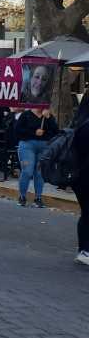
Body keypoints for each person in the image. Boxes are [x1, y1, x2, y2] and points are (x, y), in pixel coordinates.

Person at [14, 107, 59, 207]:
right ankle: (22, 196)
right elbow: (17, 130)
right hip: (27, 145)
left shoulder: (48, 116)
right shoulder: (26, 115)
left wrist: (49, 118)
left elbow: (56, 132)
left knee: (39, 173)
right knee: (27, 170)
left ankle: (38, 197)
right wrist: (33, 132)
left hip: (44, 147)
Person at [70, 94, 89, 266]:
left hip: (80, 177)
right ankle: (84, 249)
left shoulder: (80, 123)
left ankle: (84, 248)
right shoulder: (86, 126)